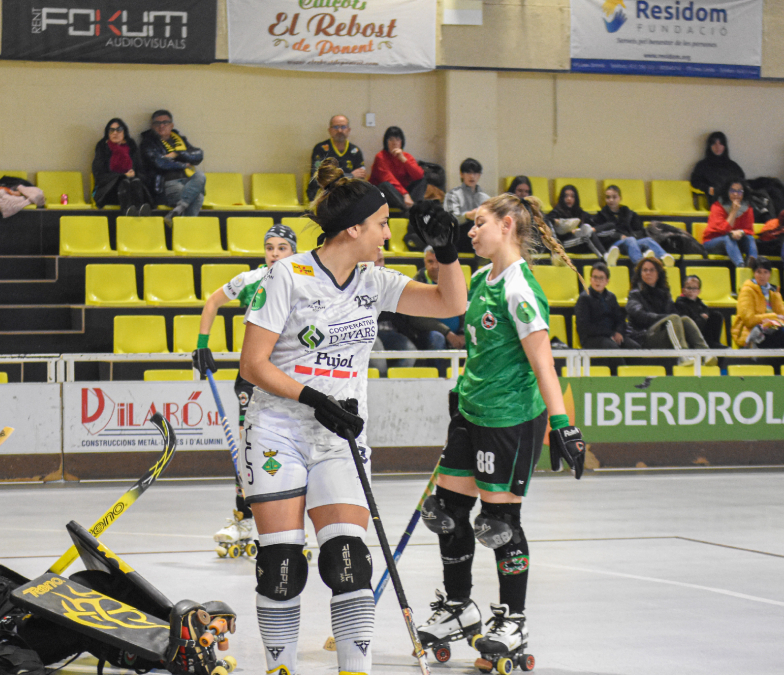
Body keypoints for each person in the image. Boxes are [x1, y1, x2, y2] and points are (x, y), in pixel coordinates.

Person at [237, 157, 467, 675]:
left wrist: (448, 251)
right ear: (354, 228)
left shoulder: (373, 280)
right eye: (382, 224)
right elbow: (252, 364)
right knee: (281, 565)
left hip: (340, 436)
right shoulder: (287, 276)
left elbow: (451, 303)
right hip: (278, 432)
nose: (388, 234)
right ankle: (280, 668)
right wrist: (315, 399)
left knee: (348, 563)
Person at [416, 193, 586, 670]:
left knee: (498, 523)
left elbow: (543, 362)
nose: (471, 232)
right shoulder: (478, 279)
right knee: (446, 512)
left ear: (507, 225)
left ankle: (513, 619)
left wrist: (563, 425)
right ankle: (458, 606)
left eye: (479, 224)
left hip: (510, 418)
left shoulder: (520, 289)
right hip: (470, 412)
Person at [0, 447, 237, 675]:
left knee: (88, 584)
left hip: (9, 614)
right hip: (2, 635)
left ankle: (170, 634)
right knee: (84, 622)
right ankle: (171, 657)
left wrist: (36, 592)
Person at [192, 224, 297, 552]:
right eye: (270, 247)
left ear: (293, 251)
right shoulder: (251, 279)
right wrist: (202, 345)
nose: (275, 253)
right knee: (247, 450)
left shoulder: (304, 281)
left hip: (290, 376)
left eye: (282, 248)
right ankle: (243, 519)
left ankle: (287, 524)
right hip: (252, 377)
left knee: (289, 449)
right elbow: (212, 302)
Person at [625, 257, 714, 367]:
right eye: (645, 270)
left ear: (658, 273)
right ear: (640, 273)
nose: (648, 273)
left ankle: (706, 353)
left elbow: (673, 312)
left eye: (652, 270)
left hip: (662, 333)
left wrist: (667, 318)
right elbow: (640, 316)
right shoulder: (634, 294)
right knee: (673, 319)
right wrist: (664, 318)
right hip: (643, 336)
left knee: (685, 319)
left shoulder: (665, 293)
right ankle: (683, 355)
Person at [139, 110, 205, 227]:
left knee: (200, 175)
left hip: (186, 180)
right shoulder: (147, 143)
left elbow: (198, 155)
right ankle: (185, 228)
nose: (161, 126)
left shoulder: (180, 140)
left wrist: (177, 154)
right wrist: (183, 165)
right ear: (152, 126)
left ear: (171, 125)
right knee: (198, 197)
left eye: (165, 122)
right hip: (166, 184)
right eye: (157, 123)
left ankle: (177, 211)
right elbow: (159, 163)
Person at [732, 257, 784, 349]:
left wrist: (771, 321)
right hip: (753, 333)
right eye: (759, 272)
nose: (762, 276)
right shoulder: (747, 291)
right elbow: (749, 320)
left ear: (770, 274)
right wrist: (775, 317)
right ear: (754, 273)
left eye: (765, 272)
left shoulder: (774, 292)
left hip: (774, 329)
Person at [593, 184, 673, 267]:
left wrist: (631, 236)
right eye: (608, 197)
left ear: (620, 198)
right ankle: (640, 263)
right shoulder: (600, 216)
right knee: (630, 240)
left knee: (648, 240)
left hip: (632, 241)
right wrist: (619, 236)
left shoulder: (629, 214)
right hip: (614, 245)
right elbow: (600, 234)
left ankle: (665, 257)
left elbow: (639, 230)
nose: (611, 200)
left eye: (614, 197)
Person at [91, 118, 150, 215]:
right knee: (124, 182)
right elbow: (99, 176)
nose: (115, 133)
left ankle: (138, 211)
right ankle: (128, 212)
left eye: (119, 130)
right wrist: (122, 176)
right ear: (108, 133)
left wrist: (134, 174)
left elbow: (142, 172)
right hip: (108, 191)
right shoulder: (102, 147)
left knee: (135, 181)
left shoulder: (132, 147)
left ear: (124, 132)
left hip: (133, 185)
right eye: (111, 130)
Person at [574, 262, 638, 350]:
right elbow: (584, 327)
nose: (597, 281)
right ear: (590, 279)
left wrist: (619, 332)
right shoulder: (584, 298)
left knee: (635, 347)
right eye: (595, 277)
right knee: (613, 349)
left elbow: (620, 319)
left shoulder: (611, 297)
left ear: (607, 281)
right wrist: (610, 333)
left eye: (601, 278)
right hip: (592, 338)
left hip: (611, 335)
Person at [307, 115, 365, 202]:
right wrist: (350, 175)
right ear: (330, 130)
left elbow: (360, 177)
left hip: (347, 192)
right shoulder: (321, 149)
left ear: (348, 130)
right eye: (336, 127)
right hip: (323, 192)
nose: (340, 130)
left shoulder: (355, 151)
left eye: (343, 127)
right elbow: (320, 176)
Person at [702, 180, 759, 267]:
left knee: (750, 238)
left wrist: (741, 232)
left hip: (736, 241)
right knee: (728, 238)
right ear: (727, 192)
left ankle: (754, 264)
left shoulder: (748, 208)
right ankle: (740, 266)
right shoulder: (717, 206)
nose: (736, 194)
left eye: (739, 191)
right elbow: (723, 230)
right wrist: (733, 212)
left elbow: (749, 230)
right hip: (713, 242)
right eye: (732, 191)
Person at [368, 126, 426, 211]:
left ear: (402, 142)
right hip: (388, 195)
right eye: (391, 139)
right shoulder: (380, 157)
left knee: (422, 180)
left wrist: (403, 160)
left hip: (403, 193)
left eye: (398, 139)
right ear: (386, 142)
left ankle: (412, 208)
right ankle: (411, 209)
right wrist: (405, 194)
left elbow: (419, 175)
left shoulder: (406, 156)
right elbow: (388, 179)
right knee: (385, 185)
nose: (394, 143)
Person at [547, 184, 608, 259]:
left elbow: (603, 223)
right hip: (564, 244)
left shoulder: (579, 213)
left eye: (572, 196)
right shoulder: (555, 213)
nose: (569, 199)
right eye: (566, 196)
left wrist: (594, 229)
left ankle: (606, 256)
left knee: (595, 233)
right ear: (562, 198)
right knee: (588, 236)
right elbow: (549, 224)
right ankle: (605, 257)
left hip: (579, 242)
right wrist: (559, 224)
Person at [444, 158, 491, 252]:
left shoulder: (485, 198)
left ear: (479, 175)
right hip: (459, 236)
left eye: (475, 173)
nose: (472, 176)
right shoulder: (453, 194)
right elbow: (449, 220)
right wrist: (467, 216)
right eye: (468, 172)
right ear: (462, 174)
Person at [674, 274, 726, 349]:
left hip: (703, 332)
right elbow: (688, 323)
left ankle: (714, 342)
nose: (692, 291)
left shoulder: (700, 304)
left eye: (695, 288)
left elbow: (706, 314)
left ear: (699, 291)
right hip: (691, 336)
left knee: (716, 315)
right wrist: (701, 318)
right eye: (689, 288)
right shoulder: (680, 304)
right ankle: (708, 344)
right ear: (683, 290)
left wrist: (703, 317)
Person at [690, 131, 745, 199]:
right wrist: (710, 190)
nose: (717, 147)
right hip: (715, 200)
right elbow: (695, 182)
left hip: (735, 199)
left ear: (725, 146)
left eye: (720, 143)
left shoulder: (733, 166)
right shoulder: (702, 165)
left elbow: (742, 181)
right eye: (714, 143)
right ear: (709, 146)